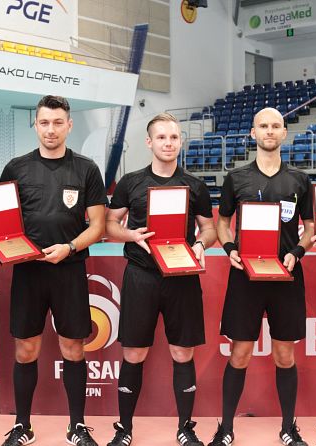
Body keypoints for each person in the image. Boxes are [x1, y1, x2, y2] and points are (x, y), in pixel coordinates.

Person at [0, 96, 107, 446]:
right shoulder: (16, 168)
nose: (51, 129)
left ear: (69, 125)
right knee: (25, 350)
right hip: (28, 273)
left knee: (74, 348)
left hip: (69, 270)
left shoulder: (87, 169)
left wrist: (70, 247)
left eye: (58, 122)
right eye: (44, 122)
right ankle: (23, 425)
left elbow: (97, 226)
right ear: (35, 124)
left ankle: (77, 426)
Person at [105, 113, 217, 446]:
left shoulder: (195, 185)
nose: (168, 143)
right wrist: (130, 235)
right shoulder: (131, 182)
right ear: (149, 142)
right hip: (141, 275)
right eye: (162, 137)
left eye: (174, 137)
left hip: (181, 277)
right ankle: (124, 429)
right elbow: (109, 225)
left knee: (182, 352)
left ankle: (185, 428)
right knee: (134, 353)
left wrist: (200, 244)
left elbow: (209, 229)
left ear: (180, 141)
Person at [207, 108, 316, 446]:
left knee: (285, 355)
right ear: (253, 133)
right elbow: (222, 223)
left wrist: (297, 252)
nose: (269, 131)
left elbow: (311, 228)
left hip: (286, 276)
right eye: (263, 126)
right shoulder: (236, 178)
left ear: (284, 132)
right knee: (239, 353)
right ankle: (226, 428)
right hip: (246, 278)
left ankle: (288, 427)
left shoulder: (300, 180)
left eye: (275, 126)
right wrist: (229, 248)